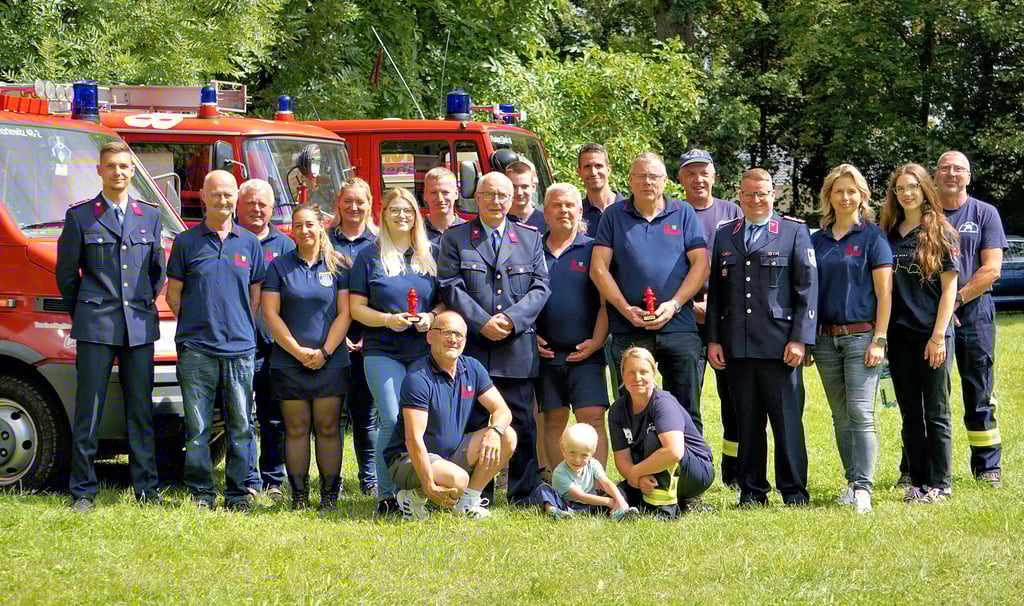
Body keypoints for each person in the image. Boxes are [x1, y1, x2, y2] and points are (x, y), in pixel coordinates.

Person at [56, 141, 164, 512]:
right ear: (100, 171)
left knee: (140, 410)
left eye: (124, 166)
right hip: (95, 325)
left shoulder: (149, 216)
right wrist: (86, 312)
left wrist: (139, 306)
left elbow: (157, 272)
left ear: (133, 171)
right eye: (111, 166)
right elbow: (66, 276)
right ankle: (83, 490)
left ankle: (146, 488)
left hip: (138, 325)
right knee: (89, 410)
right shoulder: (81, 217)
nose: (118, 172)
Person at [438, 171, 551, 504]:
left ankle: (523, 493)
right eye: (488, 194)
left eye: (502, 195)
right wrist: (481, 321)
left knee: (522, 423)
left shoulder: (529, 238)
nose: (495, 201)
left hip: (516, 346)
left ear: (512, 199)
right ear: (476, 197)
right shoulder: (456, 237)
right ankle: (476, 492)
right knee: (472, 421)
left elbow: (540, 286)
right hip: (473, 347)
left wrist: (511, 320)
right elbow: (449, 285)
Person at [706, 168, 817, 506]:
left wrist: (800, 339)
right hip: (737, 345)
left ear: (772, 195)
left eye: (762, 193)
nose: (755, 200)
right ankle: (752, 491)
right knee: (747, 423)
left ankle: (793, 491)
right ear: (739, 196)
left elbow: (807, 289)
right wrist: (713, 339)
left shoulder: (793, 231)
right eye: (749, 194)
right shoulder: (725, 234)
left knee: (786, 423)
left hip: (780, 345)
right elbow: (717, 294)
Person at [166, 170, 265, 511]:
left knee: (242, 426)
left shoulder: (249, 243)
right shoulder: (186, 242)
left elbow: (255, 297)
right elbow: (174, 296)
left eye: (228, 194)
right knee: (198, 429)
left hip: (240, 349)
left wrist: (236, 324)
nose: (223, 200)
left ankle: (238, 493)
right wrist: (199, 324)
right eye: (216, 194)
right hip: (197, 349)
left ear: (236, 198)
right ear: (203, 198)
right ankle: (201, 493)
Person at [590, 152, 709, 433]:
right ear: (630, 180)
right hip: (629, 328)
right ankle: (637, 463)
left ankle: (690, 460)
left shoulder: (683, 212)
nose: (647, 182)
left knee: (686, 408)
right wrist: (625, 310)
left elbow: (701, 265)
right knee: (632, 407)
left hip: (678, 326)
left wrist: (675, 304)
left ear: (665, 180)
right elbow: (598, 269)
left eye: (654, 176)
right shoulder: (613, 215)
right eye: (641, 176)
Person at [349, 187, 444, 515]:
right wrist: (387, 320)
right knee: (391, 419)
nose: (401, 216)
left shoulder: (431, 253)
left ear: (416, 215)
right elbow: (356, 308)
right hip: (382, 351)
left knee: (421, 422)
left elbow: (444, 302)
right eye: (394, 210)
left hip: (422, 352)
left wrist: (431, 318)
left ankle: (419, 490)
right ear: (384, 214)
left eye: (407, 210)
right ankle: (387, 495)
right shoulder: (369, 255)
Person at [807, 164, 892, 514]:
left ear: (862, 196)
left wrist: (879, 339)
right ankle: (852, 482)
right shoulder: (816, 240)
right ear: (828, 196)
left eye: (851, 191)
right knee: (840, 416)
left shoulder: (873, 237)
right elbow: (808, 294)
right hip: (824, 340)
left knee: (860, 412)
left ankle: (864, 489)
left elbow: (884, 294)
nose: (845, 197)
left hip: (862, 338)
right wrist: (807, 340)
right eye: (838, 191)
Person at [383, 311, 518, 520]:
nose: (453, 339)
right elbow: (413, 439)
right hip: (406, 458)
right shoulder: (418, 377)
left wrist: (494, 431)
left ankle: (467, 502)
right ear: (430, 336)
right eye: (447, 332)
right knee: (458, 479)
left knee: (507, 435)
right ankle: (411, 498)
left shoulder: (472, 367)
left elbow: (502, 410)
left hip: (450, 452)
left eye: (459, 334)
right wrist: (428, 485)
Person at [262, 202, 351, 511]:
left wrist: (325, 351)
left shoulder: (339, 265)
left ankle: (329, 497)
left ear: (321, 226)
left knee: (328, 428)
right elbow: (270, 313)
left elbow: (345, 313)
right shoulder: (279, 266)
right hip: (289, 361)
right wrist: (298, 352)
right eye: (297, 225)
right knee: (296, 429)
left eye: (309, 224)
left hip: (331, 360)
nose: (303, 230)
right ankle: (299, 497)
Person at [880, 163, 959, 504]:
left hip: (932, 336)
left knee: (936, 412)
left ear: (925, 190)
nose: (906, 193)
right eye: (900, 188)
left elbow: (950, 289)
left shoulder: (941, 231)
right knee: (910, 412)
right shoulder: (886, 234)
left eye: (912, 186)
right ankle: (917, 481)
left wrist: (938, 336)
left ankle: (941, 483)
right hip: (898, 337)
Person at [935, 150, 1007, 488]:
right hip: (929, 314)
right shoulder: (924, 213)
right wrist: (940, 309)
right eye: (945, 168)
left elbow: (992, 269)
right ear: (935, 175)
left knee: (978, 389)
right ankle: (917, 466)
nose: (951, 174)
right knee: (929, 394)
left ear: (968, 176)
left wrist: (956, 300)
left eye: (958, 169)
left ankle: (987, 466)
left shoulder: (984, 213)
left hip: (974, 312)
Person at [678, 149, 743, 489]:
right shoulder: (673, 212)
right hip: (685, 318)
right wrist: (689, 304)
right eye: (690, 173)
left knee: (733, 396)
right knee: (687, 396)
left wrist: (716, 305)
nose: (698, 179)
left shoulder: (732, 212)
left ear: (714, 176)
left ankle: (734, 469)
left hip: (726, 320)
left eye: (704, 172)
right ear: (680, 179)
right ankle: (693, 465)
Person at [535, 183, 610, 473]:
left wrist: (597, 341)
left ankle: (596, 484)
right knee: (553, 419)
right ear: (545, 212)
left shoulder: (593, 249)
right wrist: (531, 336)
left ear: (580, 211)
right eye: (557, 205)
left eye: (569, 205)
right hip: (546, 354)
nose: (563, 210)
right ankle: (561, 485)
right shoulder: (532, 249)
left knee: (593, 418)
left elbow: (605, 303)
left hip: (586, 352)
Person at [236, 178, 295, 502]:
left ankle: (273, 479)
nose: (257, 209)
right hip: (237, 344)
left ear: (272, 208)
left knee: (274, 416)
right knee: (241, 415)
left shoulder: (285, 246)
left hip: (274, 347)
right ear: (238, 206)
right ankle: (247, 479)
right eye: (250, 203)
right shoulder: (230, 239)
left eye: (263, 204)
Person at [609, 347, 713, 519]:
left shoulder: (663, 402)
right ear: (622, 375)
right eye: (631, 372)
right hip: (648, 470)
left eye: (643, 372)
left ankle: (666, 510)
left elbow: (673, 451)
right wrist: (638, 479)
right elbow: (622, 459)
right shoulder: (617, 410)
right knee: (616, 495)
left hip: (696, 471)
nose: (637, 378)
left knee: (653, 438)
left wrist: (635, 473)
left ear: (653, 374)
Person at [329, 178, 380, 503]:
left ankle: (369, 479)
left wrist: (364, 335)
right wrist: (337, 338)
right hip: (330, 341)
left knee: (366, 417)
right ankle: (330, 480)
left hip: (370, 338)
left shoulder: (378, 242)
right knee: (331, 417)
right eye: (347, 201)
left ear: (369, 204)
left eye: (360, 201)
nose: (353, 207)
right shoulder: (324, 240)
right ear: (338, 203)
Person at [529, 423, 637, 520]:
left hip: (592, 505)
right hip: (567, 505)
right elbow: (580, 495)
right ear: (563, 449)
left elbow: (606, 483)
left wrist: (620, 500)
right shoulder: (560, 472)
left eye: (584, 455)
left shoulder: (593, 464)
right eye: (572, 453)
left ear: (592, 453)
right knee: (543, 489)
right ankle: (554, 512)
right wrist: (608, 501)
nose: (577, 460)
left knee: (619, 490)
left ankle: (619, 513)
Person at [576, 143, 624, 238]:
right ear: (579, 172)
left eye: (598, 166)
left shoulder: (630, 210)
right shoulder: (576, 215)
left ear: (608, 170)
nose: (593, 172)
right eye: (587, 166)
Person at [423, 167, 466, 244]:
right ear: (425, 194)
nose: (440, 199)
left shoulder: (469, 232)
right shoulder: (414, 231)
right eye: (433, 193)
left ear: (456, 193)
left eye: (445, 192)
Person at [506, 160, 546, 231]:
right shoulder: (498, 222)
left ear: (533, 187)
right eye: (513, 187)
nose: (519, 192)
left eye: (524, 186)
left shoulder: (548, 221)